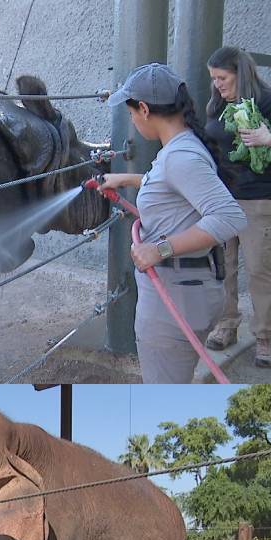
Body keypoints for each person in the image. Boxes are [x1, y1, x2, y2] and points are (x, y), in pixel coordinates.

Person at [99, 62, 247, 383]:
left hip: (175, 299)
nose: (132, 120)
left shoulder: (180, 157)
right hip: (189, 290)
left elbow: (229, 217)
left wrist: (159, 249)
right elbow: (171, 187)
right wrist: (127, 179)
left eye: (131, 113)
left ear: (144, 109)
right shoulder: (182, 146)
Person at [203, 46, 271, 364]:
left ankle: (266, 337)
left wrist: (268, 139)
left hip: (258, 200)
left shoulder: (266, 100)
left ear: (239, 74)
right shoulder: (217, 105)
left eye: (222, 78)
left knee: (260, 270)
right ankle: (226, 325)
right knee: (223, 268)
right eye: (213, 78)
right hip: (221, 198)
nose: (217, 84)